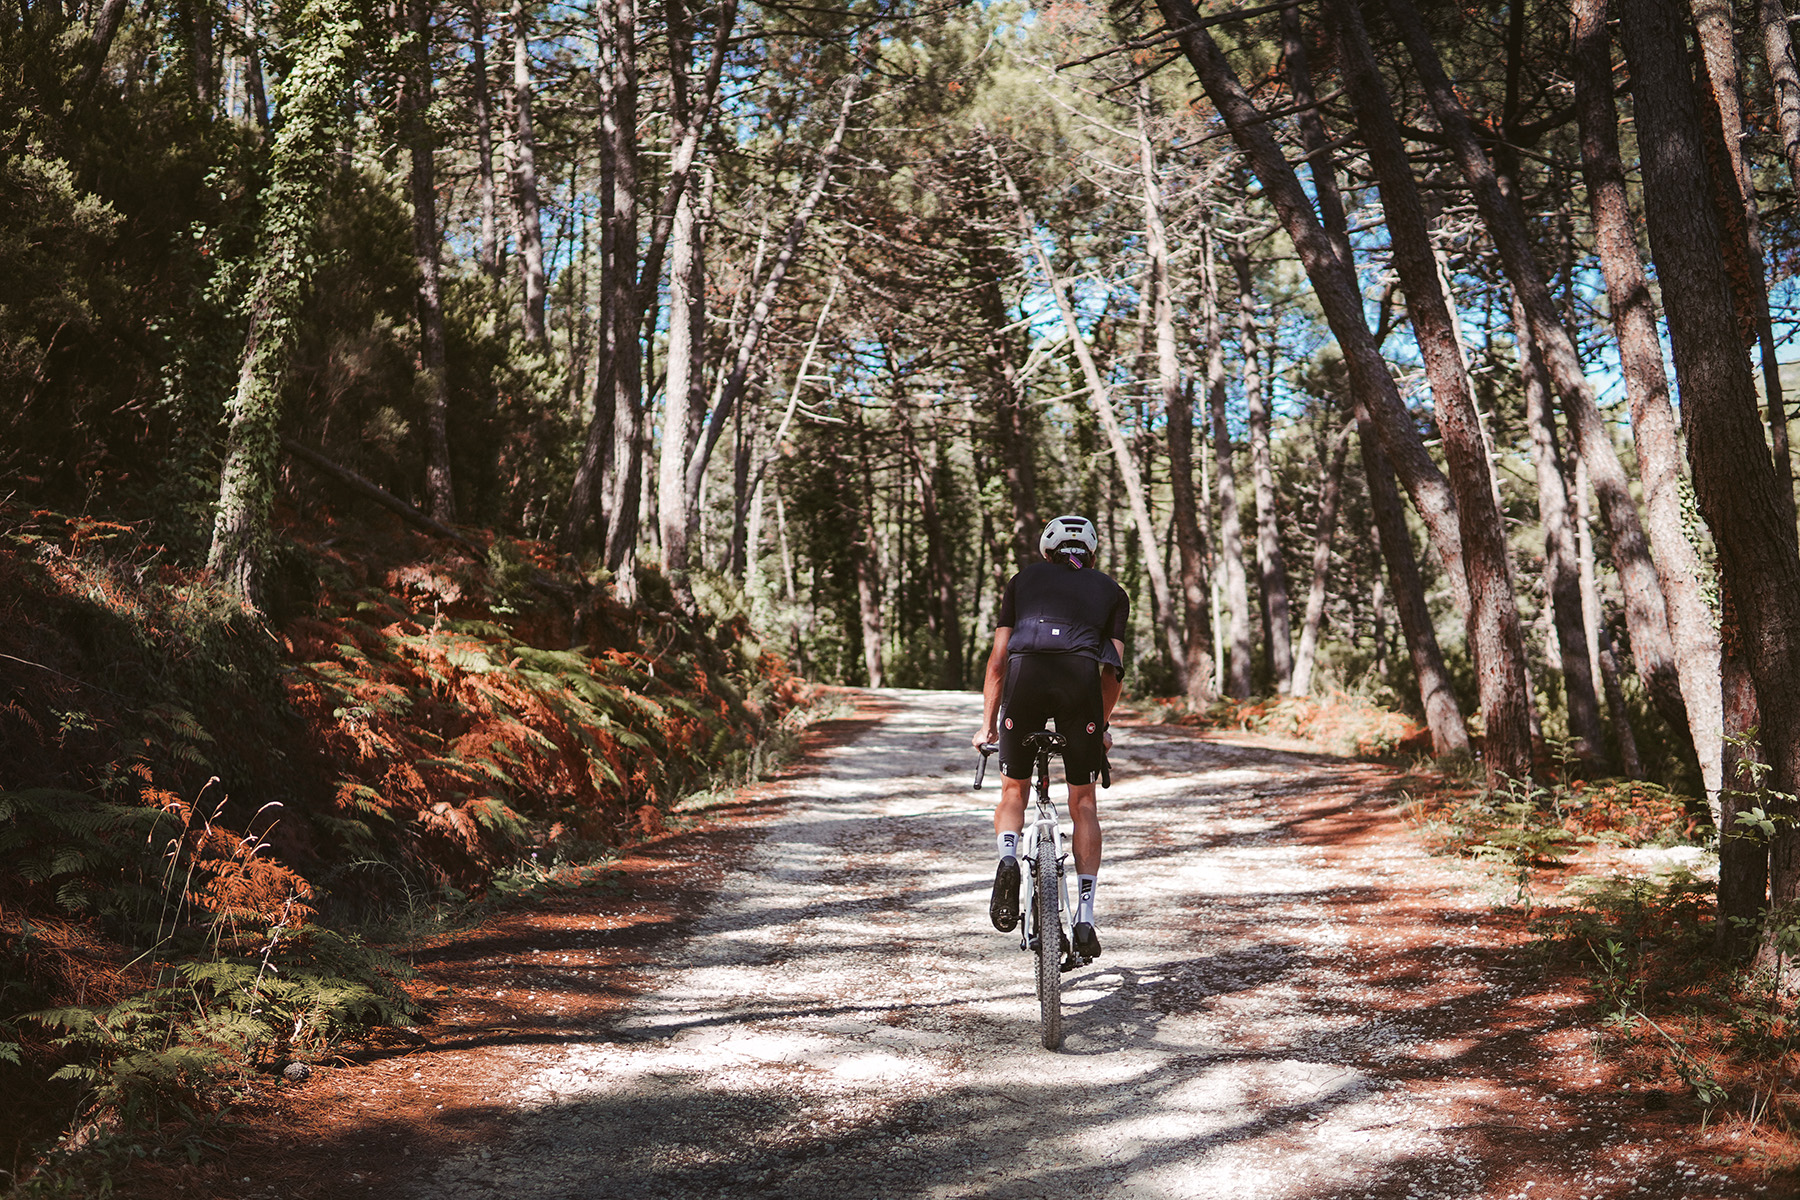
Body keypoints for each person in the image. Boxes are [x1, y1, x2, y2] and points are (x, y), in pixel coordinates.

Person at [973, 514, 1127, 958]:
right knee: (1082, 803)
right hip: (1080, 684)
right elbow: (1112, 669)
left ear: (1047, 550)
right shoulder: (1112, 591)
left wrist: (987, 725)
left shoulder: (1022, 581)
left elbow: (998, 660)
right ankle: (1084, 917)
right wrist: (1102, 726)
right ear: (1091, 553)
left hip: (1026, 678)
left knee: (1013, 789)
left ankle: (1007, 858)